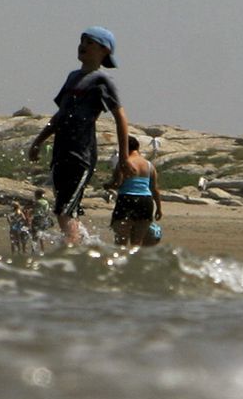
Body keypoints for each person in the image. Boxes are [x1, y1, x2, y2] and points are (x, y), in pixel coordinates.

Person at [27, 27, 130, 246]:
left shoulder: (102, 80)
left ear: (104, 50)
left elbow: (120, 116)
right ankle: (85, 249)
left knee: (65, 211)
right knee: (63, 210)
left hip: (80, 155)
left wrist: (124, 159)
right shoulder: (73, 77)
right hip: (60, 152)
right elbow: (61, 114)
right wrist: (39, 140)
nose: (82, 45)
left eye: (89, 42)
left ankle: (69, 252)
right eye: (81, 41)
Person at [108, 135, 163, 246]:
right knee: (137, 243)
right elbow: (154, 189)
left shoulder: (124, 163)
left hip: (126, 200)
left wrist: (107, 185)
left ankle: (120, 263)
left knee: (121, 242)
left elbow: (117, 183)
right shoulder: (149, 165)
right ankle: (135, 262)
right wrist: (159, 208)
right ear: (138, 148)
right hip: (146, 202)